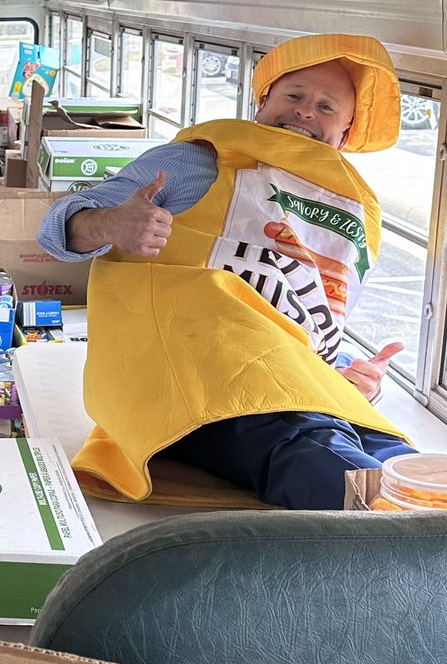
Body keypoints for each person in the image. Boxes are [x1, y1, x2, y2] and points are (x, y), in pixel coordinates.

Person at [37, 34, 416, 509]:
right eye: (294, 96)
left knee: (399, 457)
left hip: (286, 384)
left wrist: (348, 374)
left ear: (344, 133)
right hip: (190, 384)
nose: (304, 112)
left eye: (325, 107)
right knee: (320, 456)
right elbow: (53, 229)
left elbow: (297, 320)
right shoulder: (198, 160)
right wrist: (111, 222)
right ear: (263, 104)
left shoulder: (349, 210)